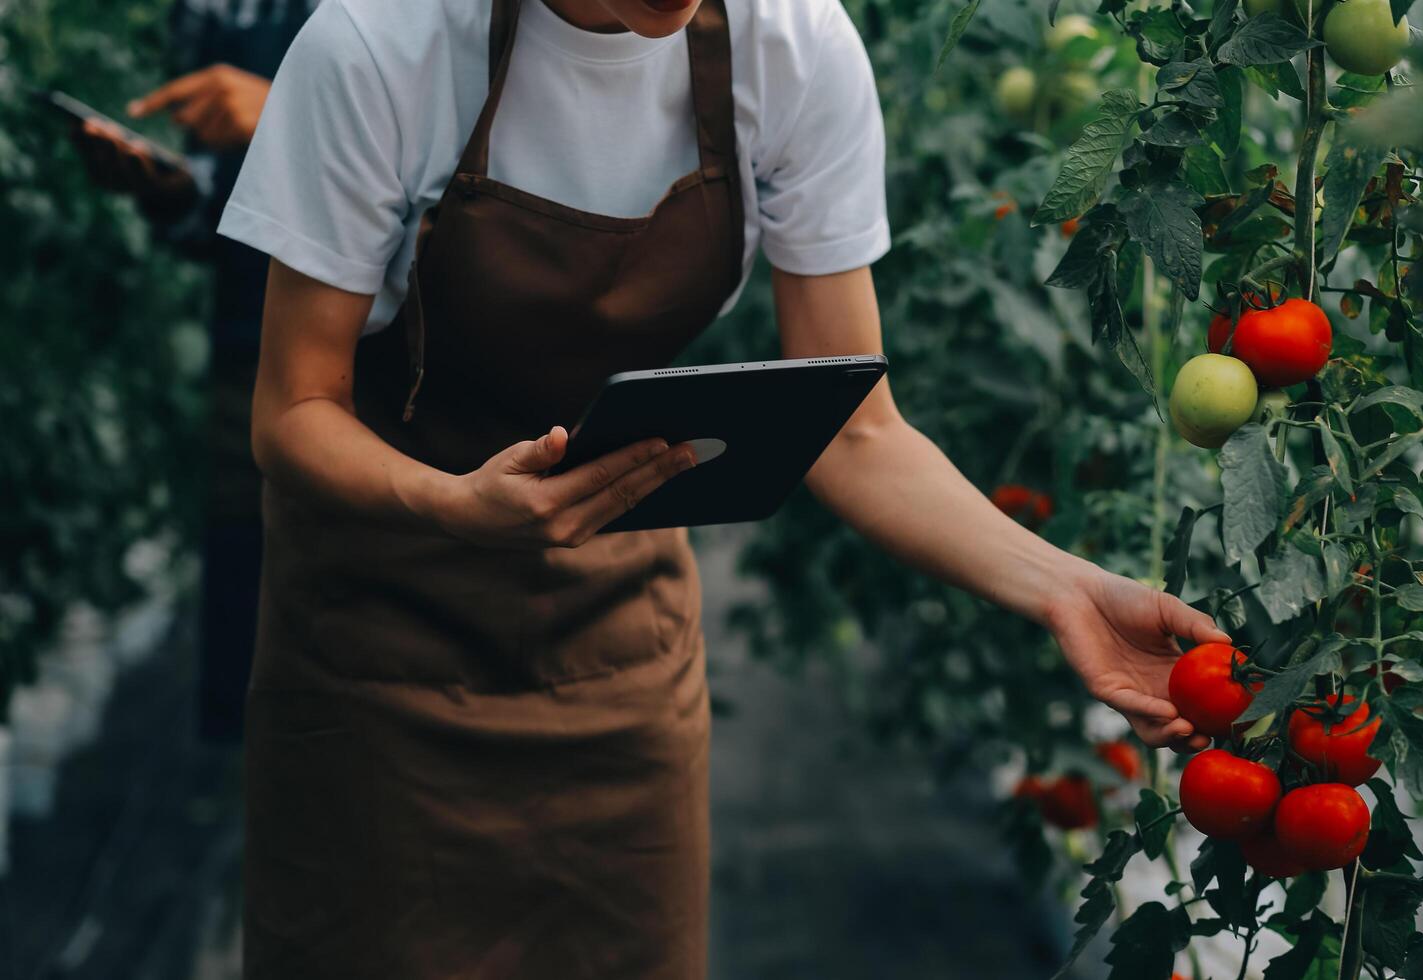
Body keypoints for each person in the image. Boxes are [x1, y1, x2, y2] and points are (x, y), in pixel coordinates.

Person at [218, 0, 1228, 976]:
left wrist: (1060, 587)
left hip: (616, 649)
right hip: (378, 654)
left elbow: (856, 428)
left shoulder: (788, 45)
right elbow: (296, 409)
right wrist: (449, 504)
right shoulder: (377, 44)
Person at [69, 0, 318, 741]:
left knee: (372, 640)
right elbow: (218, 204)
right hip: (252, 348)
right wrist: (171, 190)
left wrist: (288, 117)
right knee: (259, 641)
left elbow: (460, 179)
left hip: (394, 366)